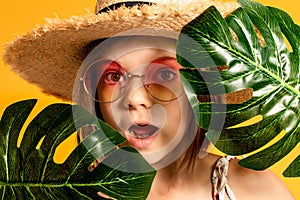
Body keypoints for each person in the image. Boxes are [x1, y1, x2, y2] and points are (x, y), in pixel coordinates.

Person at [2, 0, 295, 199]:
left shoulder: (253, 190)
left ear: (204, 84)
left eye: (165, 75)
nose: (134, 99)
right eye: (114, 77)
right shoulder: (59, 190)